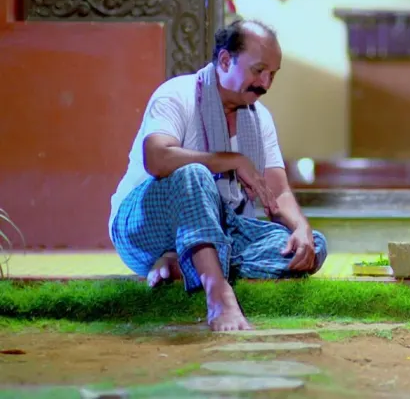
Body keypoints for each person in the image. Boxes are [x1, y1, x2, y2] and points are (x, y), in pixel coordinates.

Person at [109, 19, 328, 332]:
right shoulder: (177, 94)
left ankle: (185, 261)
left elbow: (278, 193)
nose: (266, 83)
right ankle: (217, 291)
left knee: (312, 246)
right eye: (259, 70)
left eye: (273, 74)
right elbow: (156, 158)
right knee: (193, 174)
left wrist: (301, 228)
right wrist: (231, 161)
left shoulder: (260, 119)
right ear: (225, 61)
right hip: (144, 226)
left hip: (219, 230)